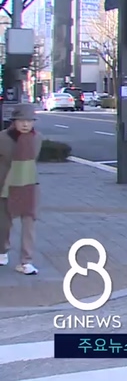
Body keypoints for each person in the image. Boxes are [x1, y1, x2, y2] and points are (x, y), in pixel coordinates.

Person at [0, 104, 43, 275]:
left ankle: (26, 261)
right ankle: (3, 251)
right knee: (4, 223)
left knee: (29, 223)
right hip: (6, 185)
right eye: (21, 121)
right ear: (14, 122)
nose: (26, 124)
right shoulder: (3, 138)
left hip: (29, 185)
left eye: (29, 121)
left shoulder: (37, 138)